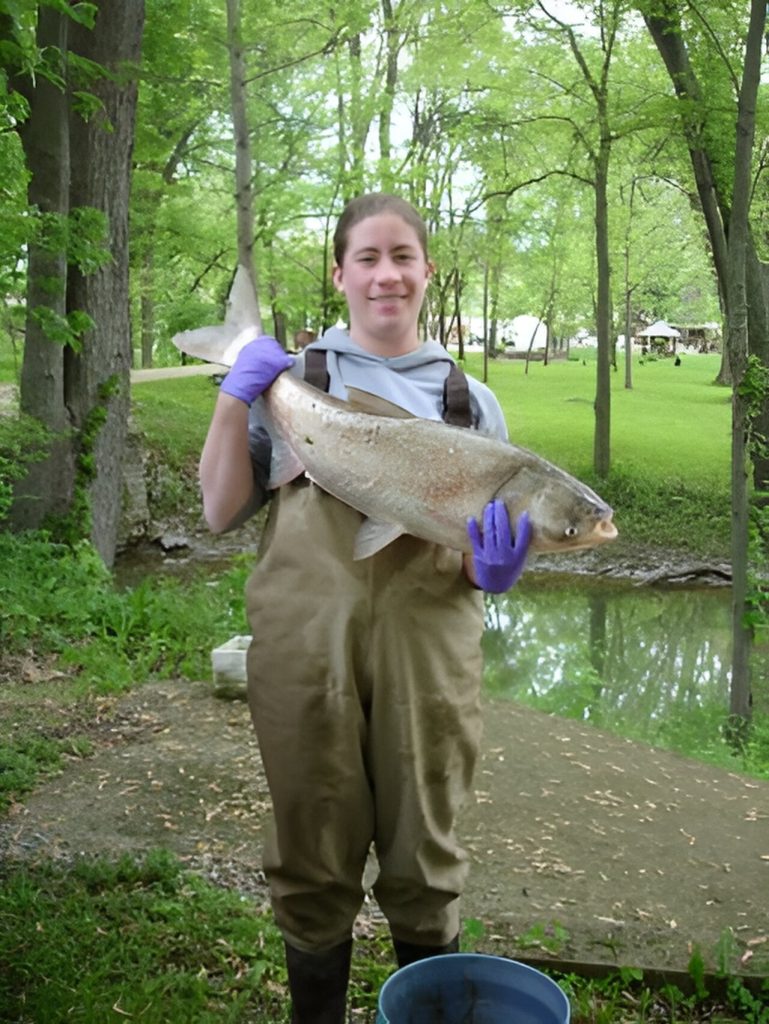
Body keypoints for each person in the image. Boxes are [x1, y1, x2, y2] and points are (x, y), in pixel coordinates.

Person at [199, 193, 531, 1024]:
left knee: (426, 854)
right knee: (311, 848)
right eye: (369, 258)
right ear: (340, 274)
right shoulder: (296, 381)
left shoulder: (470, 401)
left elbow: (479, 567)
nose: (387, 275)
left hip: (430, 656)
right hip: (304, 649)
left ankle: (425, 1005)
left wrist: (497, 571)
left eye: (403, 257)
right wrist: (234, 396)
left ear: (425, 272)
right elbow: (217, 510)